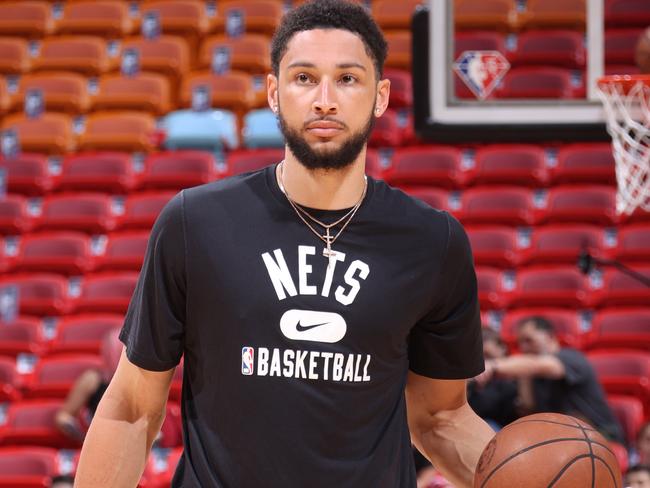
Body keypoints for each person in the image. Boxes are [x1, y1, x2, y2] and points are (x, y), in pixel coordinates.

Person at [74, 1, 494, 487]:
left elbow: (440, 417)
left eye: (348, 79)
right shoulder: (195, 224)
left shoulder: (432, 243)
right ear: (273, 92)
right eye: (303, 78)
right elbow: (130, 408)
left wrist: (523, 478)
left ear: (380, 97)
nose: (324, 100)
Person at [476, 316, 624, 444]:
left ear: (550, 337)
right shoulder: (532, 374)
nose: (524, 347)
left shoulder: (571, 358)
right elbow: (529, 410)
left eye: (529, 340)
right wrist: (524, 377)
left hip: (601, 436)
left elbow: (543, 365)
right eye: (520, 343)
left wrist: (492, 366)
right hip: (562, 439)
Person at [55, 328, 121, 442]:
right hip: (98, 442)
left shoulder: (141, 382)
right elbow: (63, 416)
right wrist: (82, 435)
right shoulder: (92, 379)